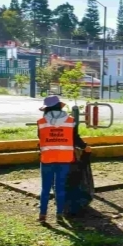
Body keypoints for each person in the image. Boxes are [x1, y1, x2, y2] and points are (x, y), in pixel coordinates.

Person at [37, 95, 87, 224]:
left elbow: (40, 137)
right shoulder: (71, 121)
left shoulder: (41, 122)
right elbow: (75, 138)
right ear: (60, 106)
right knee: (60, 187)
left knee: (45, 188)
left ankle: (42, 215)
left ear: (46, 109)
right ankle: (59, 214)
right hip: (65, 158)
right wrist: (85, 147)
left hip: (47, 158)